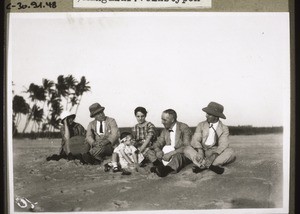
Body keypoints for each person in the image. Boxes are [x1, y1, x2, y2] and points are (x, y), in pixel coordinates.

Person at [184, 102, 236, 174]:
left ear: (216, 116)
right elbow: (195, 139)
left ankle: (202, 165)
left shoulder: (224, 128)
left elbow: (223, 144)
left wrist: (214, 156)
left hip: (214, 152)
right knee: (187, 149)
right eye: (206, 113)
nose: (206, 115)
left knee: (231, 152)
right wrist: (200, 151)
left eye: (209, 114)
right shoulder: (201, 125)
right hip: (201, 150)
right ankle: (211, 166)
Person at [146, 109, 192, 177]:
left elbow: (187, 146)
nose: (162, 122)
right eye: (162, 119)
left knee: (178, 157)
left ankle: (165, 170)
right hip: (167, 154)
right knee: (150, 151)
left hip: (180, 154)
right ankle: (160, 166)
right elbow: (158, 143)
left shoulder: (184, 128)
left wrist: (171, 154)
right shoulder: (165, 130)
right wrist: (158, 151)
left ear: (172, 120)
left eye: (164, 120)